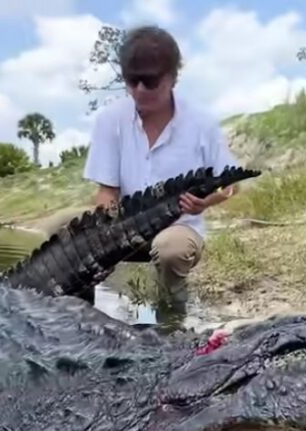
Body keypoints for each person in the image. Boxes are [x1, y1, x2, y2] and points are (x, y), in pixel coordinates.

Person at [81, 24, 242, 330]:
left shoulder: (201, 123)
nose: (140, 89)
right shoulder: (110, 121)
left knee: (170, 253)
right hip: (127, 230)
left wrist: (206, 201)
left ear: (172, 77)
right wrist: (106, 236)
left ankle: (172, 316)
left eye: (150, 80)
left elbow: (232, 185)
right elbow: (106, 192)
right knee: (61, 235)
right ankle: (88, 318)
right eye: (132, 80)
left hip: (179, 229)